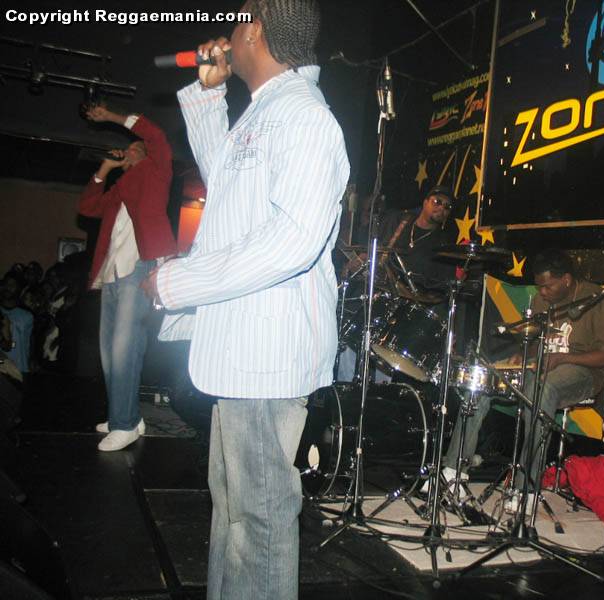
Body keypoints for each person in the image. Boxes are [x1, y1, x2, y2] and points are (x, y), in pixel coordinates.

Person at [142, 1, 349, 597]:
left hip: (267, 354)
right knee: (233, 513)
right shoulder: (269, 110)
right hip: (244, 350)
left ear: (254, 29)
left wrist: (179, 282)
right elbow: (230, 187)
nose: (226, 34)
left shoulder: (306, 117)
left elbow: (292, 241)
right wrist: (210, 97)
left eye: (235, 21)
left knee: (257, 519)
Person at [435, 249, 604, 507]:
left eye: (548, 286)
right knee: (483, 382)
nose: (542, 292)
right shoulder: (541, 300)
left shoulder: (596, 299)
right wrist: (522, 355)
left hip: (583, 373)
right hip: (541, 367)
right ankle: (453, 472)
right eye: (539, 286)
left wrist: (564, 358)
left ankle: (526, 487)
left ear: (566, 280)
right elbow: (534, 342)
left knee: (541, 390)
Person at [78, 105, 175, 451]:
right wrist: (106, 168)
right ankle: (126, 414)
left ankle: (124, 423)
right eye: (128, 149)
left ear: (146, 155)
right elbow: (88, 208)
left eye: (135, 148)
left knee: (124, 347)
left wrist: (112, 118)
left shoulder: (156, 171)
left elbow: (156, 135)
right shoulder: (122, 187)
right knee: (110, 351)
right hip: (113, 273)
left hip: (140, 268)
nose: (129, 151)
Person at [336, 185, 455, 381]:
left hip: (406, 310)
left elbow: (439, 290)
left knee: (386, 361)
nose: (441, 208)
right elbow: (378, 248)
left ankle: (379, 392)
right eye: (437, 202)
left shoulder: (443, 245)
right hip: (378, 294)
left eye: (447, 207)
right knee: (351, 338)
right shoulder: (400, 221)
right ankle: (344, 387)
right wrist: (362, 258)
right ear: (425, 202)